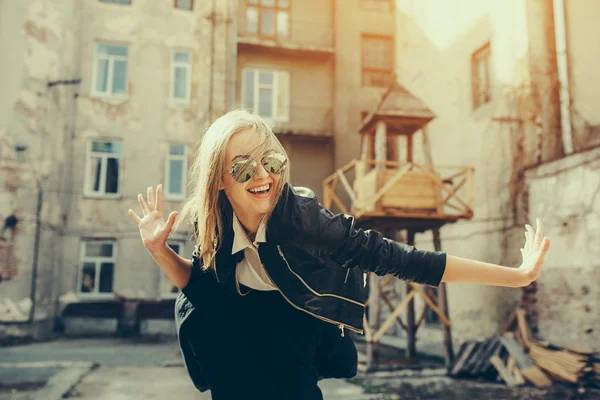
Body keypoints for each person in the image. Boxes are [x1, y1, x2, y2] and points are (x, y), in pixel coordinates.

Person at [128, 110, 550, 399]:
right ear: (220, 180)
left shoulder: (305, 219)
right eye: (243, 168)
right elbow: (199, 285)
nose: (263, 176)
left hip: (290, 336)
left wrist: (516, 276)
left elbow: (401, 259)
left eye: (270, 160)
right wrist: (158, 250)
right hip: (231, 352)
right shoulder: (212, 220)